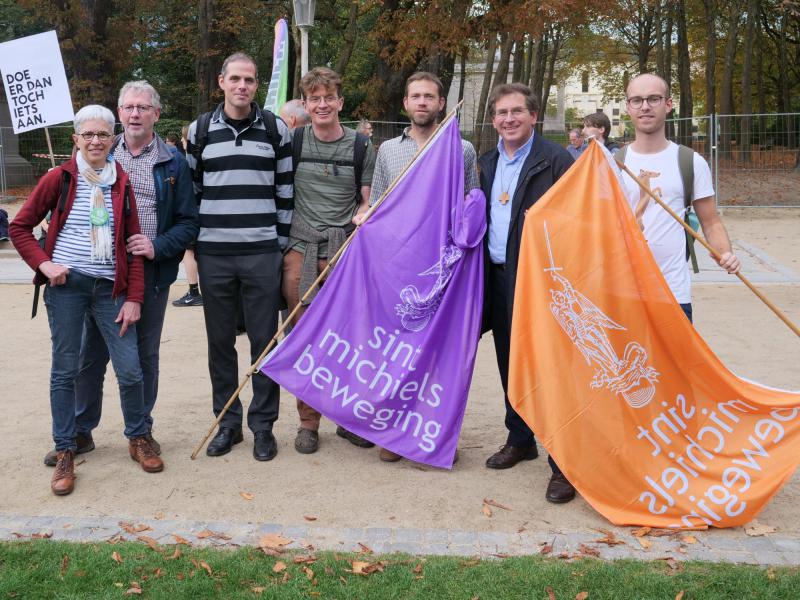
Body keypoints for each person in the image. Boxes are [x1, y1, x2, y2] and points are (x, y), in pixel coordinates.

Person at [39, 81, 199, 468]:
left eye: (143, 107)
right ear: (118, 113)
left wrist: (157, 245)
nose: (134, 114)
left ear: (156, 113)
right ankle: (80, 429)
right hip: (98, 274)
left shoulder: (174, 162)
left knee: (141, 357)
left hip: (151, 273)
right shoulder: (103, 151)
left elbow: (189, 223)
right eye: (127, 107)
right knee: (86, 357)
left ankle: (140, 431)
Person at [10, 105, 161, 495]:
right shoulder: (58, 179)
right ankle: (66, 448)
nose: (96, 141)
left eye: (103, 135)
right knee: (66, 370)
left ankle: (139, 437)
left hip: (111, 290)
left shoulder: (121, 183)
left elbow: (133, 247)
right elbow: (20, 227)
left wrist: (135, 298)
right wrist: (45, 265)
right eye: (88, 135)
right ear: (75, 139)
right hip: (68, 289)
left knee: (129, 369)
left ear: (113, 141)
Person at [365, 71, 479, 463]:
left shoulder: (461, 150)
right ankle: (391, 431)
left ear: (441, 103)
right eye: (415, 96)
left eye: (429, 96)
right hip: (397, 266)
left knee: (435, 352)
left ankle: (431, 430)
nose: (422, 103)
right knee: (395, 350)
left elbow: (470, 203)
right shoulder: (387, 151)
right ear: (406, 104)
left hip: (440, 268)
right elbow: (378, 204)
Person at [186, 52, 293, 461]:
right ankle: (228, 423)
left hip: (261, 252)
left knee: (265, 343)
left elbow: (285, 191)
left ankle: (263, 426)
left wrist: (278, 244)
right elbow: (193, 192)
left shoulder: (274, 128)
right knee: (219, 343)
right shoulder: (200, 130)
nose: (242, 86)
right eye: (235, 79)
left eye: (249, 80)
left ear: (255, 84)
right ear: (222, 82)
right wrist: (198, 244)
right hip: (215, 255)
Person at [477, 83, 577, 503]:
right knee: (510, 361)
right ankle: (520, 438)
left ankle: (564, 462)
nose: (509, 119)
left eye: (517, 111)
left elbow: (574, 220)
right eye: (501, 112)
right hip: (498, 276)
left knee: (552, 368)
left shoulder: (556, 160)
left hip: (542, 282)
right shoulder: (485, 163)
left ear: (534, 116)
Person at [283, 66, 376, 455]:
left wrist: (364, 214)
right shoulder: (294, 141)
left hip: (344, 253)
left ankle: (347, 418)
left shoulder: (360, 146)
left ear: (340, 102)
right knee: (303, 338)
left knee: (348, 341)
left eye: (328, 98)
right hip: (300, 251)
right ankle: (308, 422)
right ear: (306, 105)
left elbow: (367, 198)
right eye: (314, 99)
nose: (322, 105)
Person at [619, 73, 740, 322]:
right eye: (637, 100)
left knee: (676, 363)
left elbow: (711, 221)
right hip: (623, 292)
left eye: (653, 98)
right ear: (628, 107)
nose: (645, 106)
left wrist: (725, 253)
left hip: (673, 292)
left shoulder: (690, 161)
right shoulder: (613, 164)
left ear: (668, 104)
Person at [173, 123, 203, 307]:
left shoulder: (187, 160)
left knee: (189, 251)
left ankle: (194, 291)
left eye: (183, 139)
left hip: (192, 212)